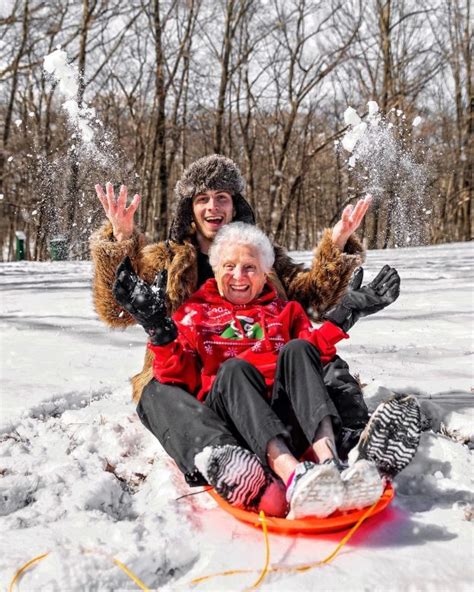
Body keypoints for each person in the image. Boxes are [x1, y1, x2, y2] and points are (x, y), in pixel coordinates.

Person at [90, 155, 371, 481]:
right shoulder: (166, 258)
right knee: (155, 393)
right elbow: (117, 308)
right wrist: (120, 240)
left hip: (266, 367)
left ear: (235, 205)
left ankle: (355, 438)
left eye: (222, 197)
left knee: (323, 360)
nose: (213, 207)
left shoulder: (260, 252)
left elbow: (309, 300)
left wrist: (336, 246)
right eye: (203, 199)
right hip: (187, 370)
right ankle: (221, 460)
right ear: (190, 209)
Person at [112, 222, 420, 519]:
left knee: (300, 349)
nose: (238, 276)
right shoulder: (194, 313)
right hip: (233, 421)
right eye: (229, 266)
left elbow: (315, 359)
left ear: (264, 274)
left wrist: (344, 315)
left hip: (286, 418)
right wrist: (159, 331)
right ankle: (293, 473)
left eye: (249, 268)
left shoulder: (285, 312)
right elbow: (177, 377)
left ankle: (331, 462)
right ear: (217, 269)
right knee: (234, 369)